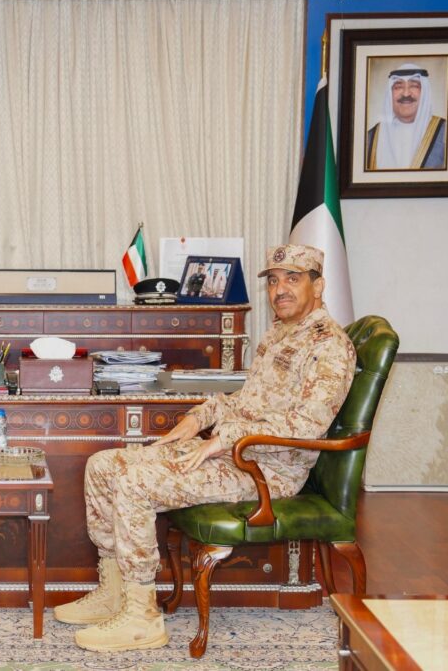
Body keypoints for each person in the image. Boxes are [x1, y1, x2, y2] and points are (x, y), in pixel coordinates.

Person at [54, 244, 356, 652]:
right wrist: (199, 418)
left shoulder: (329, 346)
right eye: (273, 281)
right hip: (232, 456)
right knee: (103, 465)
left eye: (293, 279)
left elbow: (307, 426)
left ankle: (142, 618)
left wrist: (221, 440)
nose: (280, 289)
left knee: (134, 481)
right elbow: (245, 400)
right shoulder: (279, 334)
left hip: (266, 470)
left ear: (318, 286)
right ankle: (115, 592)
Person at [366, 64, 446, 170]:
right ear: (390, 94)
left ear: (424, 92)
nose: (406, 93)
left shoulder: (446, 133)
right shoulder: (370, 138)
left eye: (414, 86)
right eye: (398, 87)